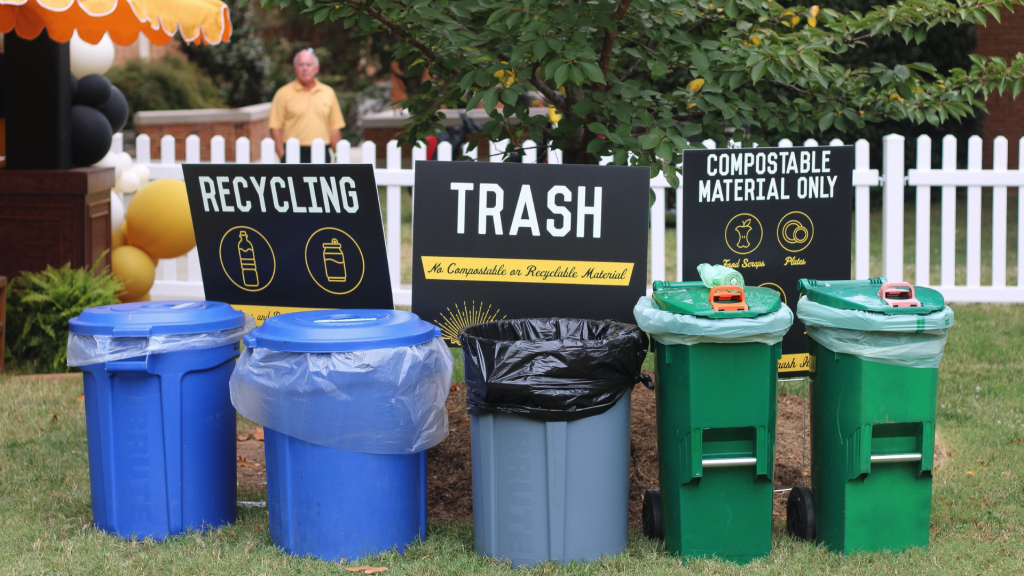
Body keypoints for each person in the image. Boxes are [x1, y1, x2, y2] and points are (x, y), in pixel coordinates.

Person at [269, 49, 345, 163]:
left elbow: (334, 127)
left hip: (322, 152)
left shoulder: (328, 92)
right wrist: (282, 156)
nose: (305, 68)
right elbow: (275, 128)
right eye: (301, 65)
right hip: (293, 152)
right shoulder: (283, 93)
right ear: (295, 68)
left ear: (316, 68)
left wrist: (336, 155)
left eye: (309, 64)